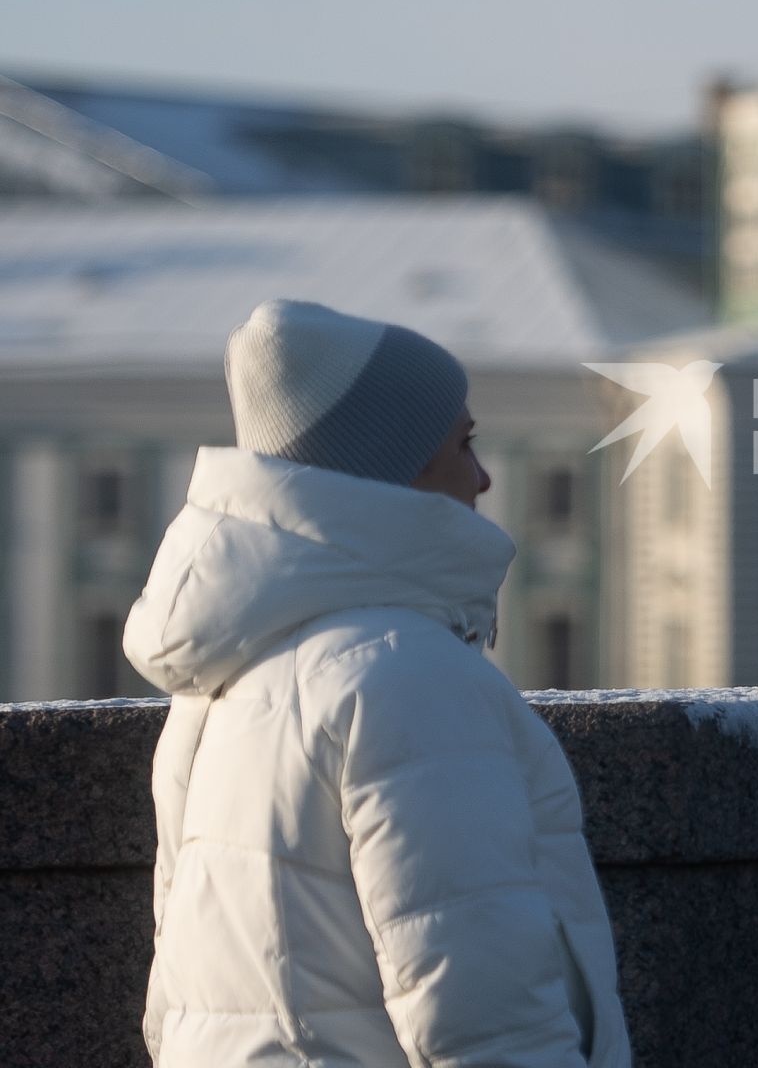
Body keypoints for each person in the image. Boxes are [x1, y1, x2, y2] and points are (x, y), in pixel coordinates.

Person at [123, 298, 632, 1067]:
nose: (486, 477)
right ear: (395, 466)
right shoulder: (404, 676)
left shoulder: (217, 685)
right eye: (464, 442)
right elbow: (482, 1012)